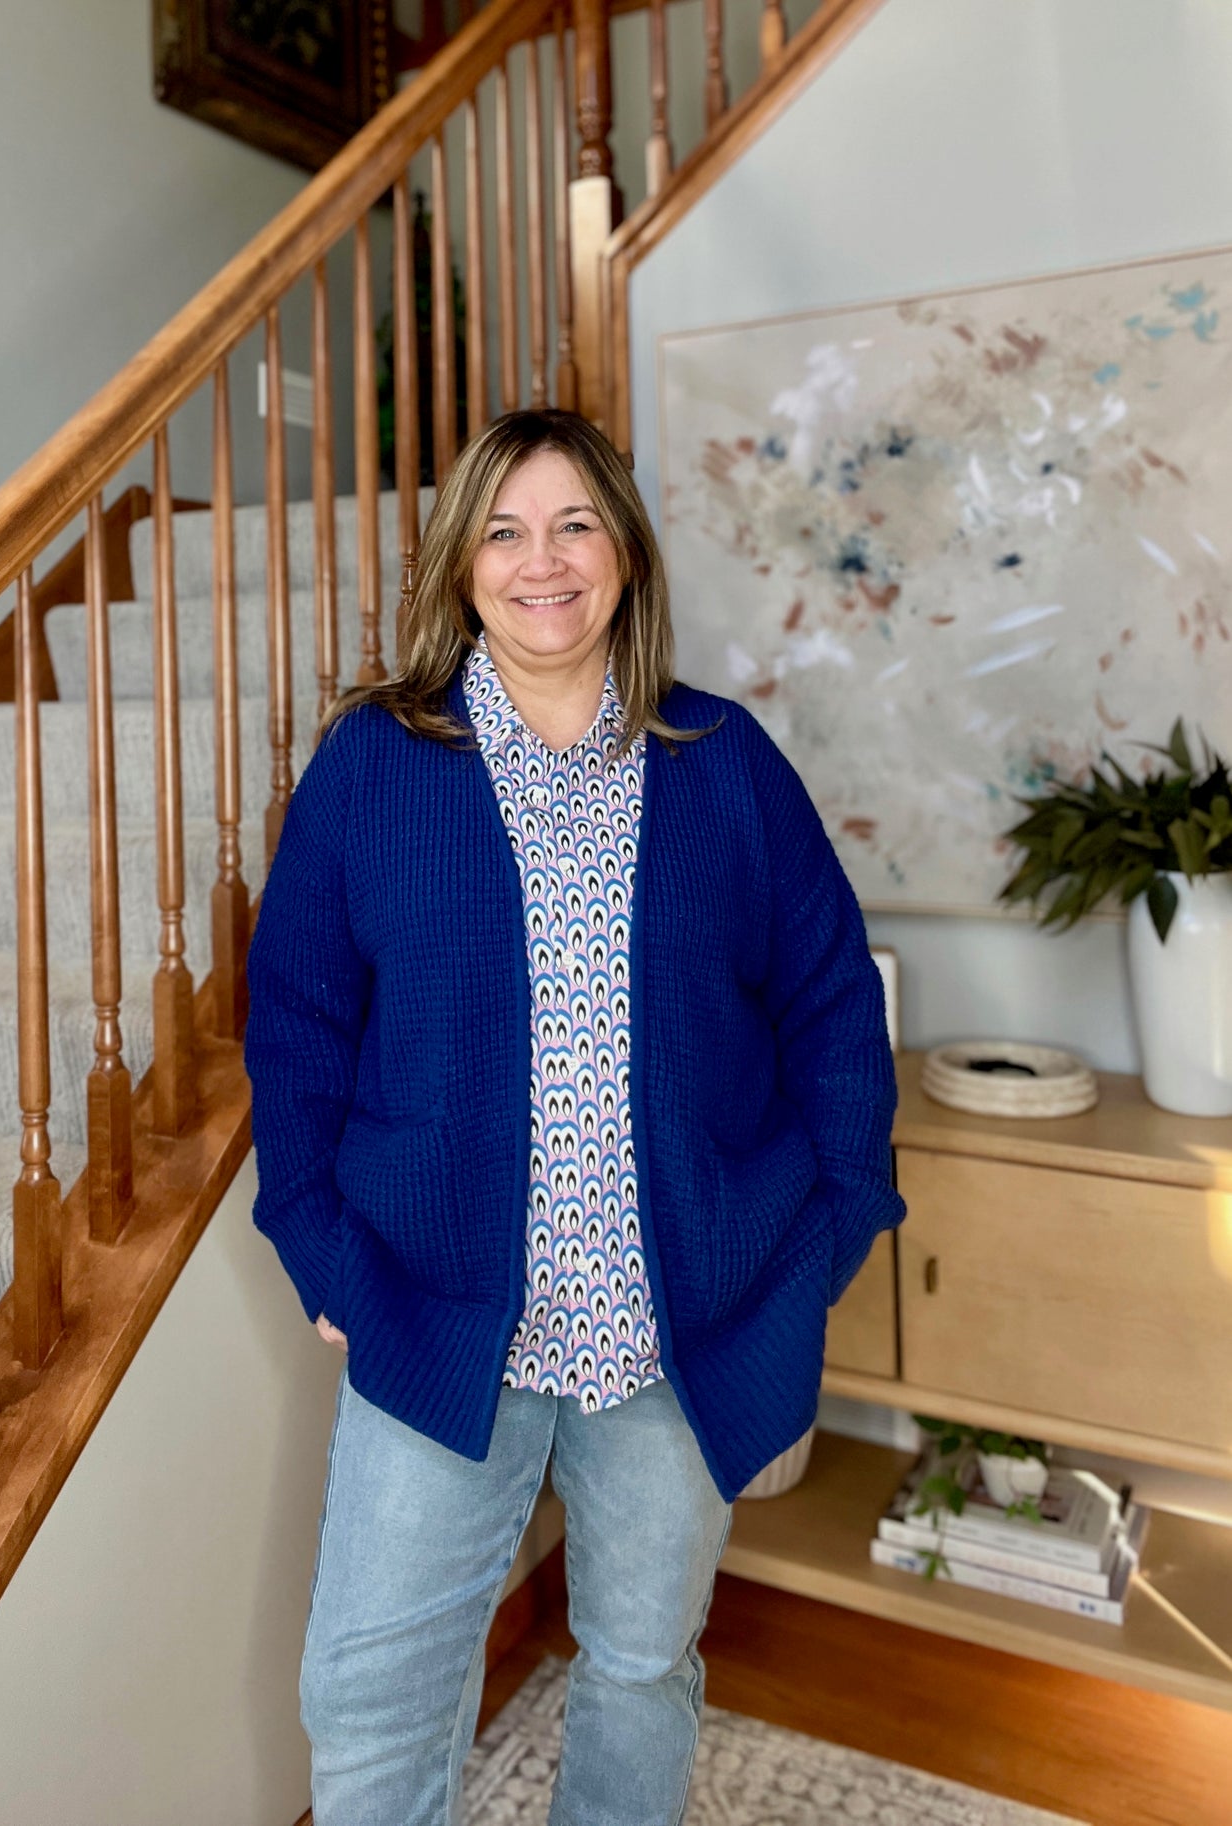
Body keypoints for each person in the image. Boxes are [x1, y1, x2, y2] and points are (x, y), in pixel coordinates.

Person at [245, 407, 903, 1826]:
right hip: (434, 1312)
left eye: (572, 524)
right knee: (366, 1693)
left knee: (639, 1662)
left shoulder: (721, 762)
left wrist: (837, 1215)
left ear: (621, 551)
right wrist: (315, 1237)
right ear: (460, 561)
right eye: (502, 528)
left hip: (680, 1323)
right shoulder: (374, 760)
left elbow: (832, 1002)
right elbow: (295, 1019)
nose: (539, 561)